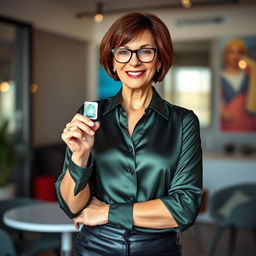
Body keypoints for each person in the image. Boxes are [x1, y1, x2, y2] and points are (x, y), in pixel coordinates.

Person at [55, 12, 202, 256]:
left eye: (145, 51)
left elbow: (185, 207)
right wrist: (80, 158)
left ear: (159, 60)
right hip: (94, 246)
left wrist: (106, 211)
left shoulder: (183, 122)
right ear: (112, 61)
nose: (133, 62)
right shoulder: (91, 116)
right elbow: (73, 206)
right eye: (123, 51)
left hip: (157, 249)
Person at [220, 39, 256, 132]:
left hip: (249, 122)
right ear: (226, 54)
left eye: (239, 52)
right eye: (232, 52)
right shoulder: (219, 76)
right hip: (228, 124)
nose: (235, 56)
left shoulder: (250, 76)